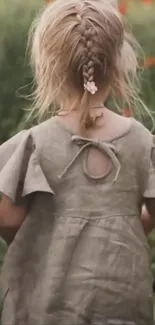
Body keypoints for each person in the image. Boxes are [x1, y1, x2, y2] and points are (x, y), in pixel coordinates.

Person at [0, 0, 154, 324]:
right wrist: (124, 222)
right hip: (123, 299)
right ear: (116, 66)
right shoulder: (142, 141)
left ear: (48, 69)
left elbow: (8, 217)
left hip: (48, 301)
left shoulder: (35, 144)